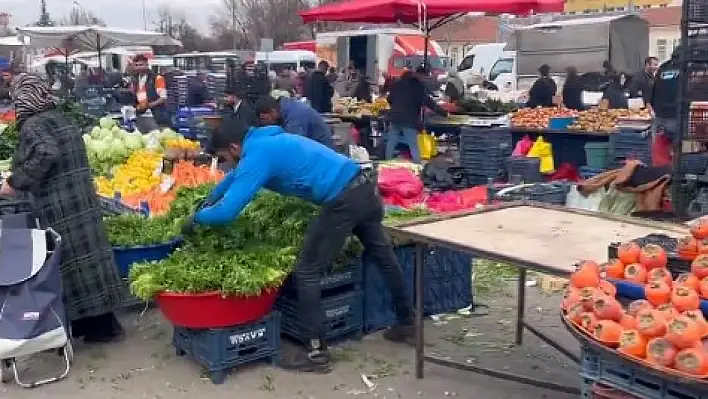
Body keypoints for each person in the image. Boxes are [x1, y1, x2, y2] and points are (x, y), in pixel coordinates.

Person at [182, 119, 415, 372]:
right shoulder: (266, 141)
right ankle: (407, 323)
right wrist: (208, 200)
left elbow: (227, 213)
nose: (228, 162)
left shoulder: (257, 155)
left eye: (225, 157)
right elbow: (234, 179)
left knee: (307, 271)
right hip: (363, 186)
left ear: (235, 147)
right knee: (382, 255)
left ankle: (316, 353)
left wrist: (196, 218)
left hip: (343, 201)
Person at [1, 74, 126, 342]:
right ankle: (98, 324)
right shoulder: (59, 117)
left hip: (60, 205)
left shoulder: (33, 124)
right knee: (90, 263)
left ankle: (97, 327)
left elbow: (47, 153)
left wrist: (16, 181)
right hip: (80, 200)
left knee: (70, 264)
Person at [386, 68, 448, 163]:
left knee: (392, 140)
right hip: (409, 118)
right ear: (419, 75)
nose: (425, 78)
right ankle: (417, 164)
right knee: (413, 143)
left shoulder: (398, 83)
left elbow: (389, 99)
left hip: (395, 117)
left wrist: (395, 107)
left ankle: (387, 162)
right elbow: (428, 102)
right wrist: (443, 113)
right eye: (425, 76)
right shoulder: (417, 86)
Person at [254, 95, 334, 148]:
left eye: (264, 120)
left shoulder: (294, 118)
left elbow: (293, 147)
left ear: (273, 112)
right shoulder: (285, 110)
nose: (265, 126)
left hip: (322, 153)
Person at [650, 46, 682, 162]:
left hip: (660, 118)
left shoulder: (663, 68)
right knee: (682, 158)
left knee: (660, 158)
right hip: (680, 119)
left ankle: (662, 178)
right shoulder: (688, 68)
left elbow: (652, 94)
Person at [130, 54, 169, 132]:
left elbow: (163, 98)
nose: (139, 67)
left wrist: (148, 105)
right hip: (140, 116)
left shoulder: (157, 78)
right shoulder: (134, 80)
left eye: (141, 65)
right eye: (136, 65)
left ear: (147, 64)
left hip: (156, 116)